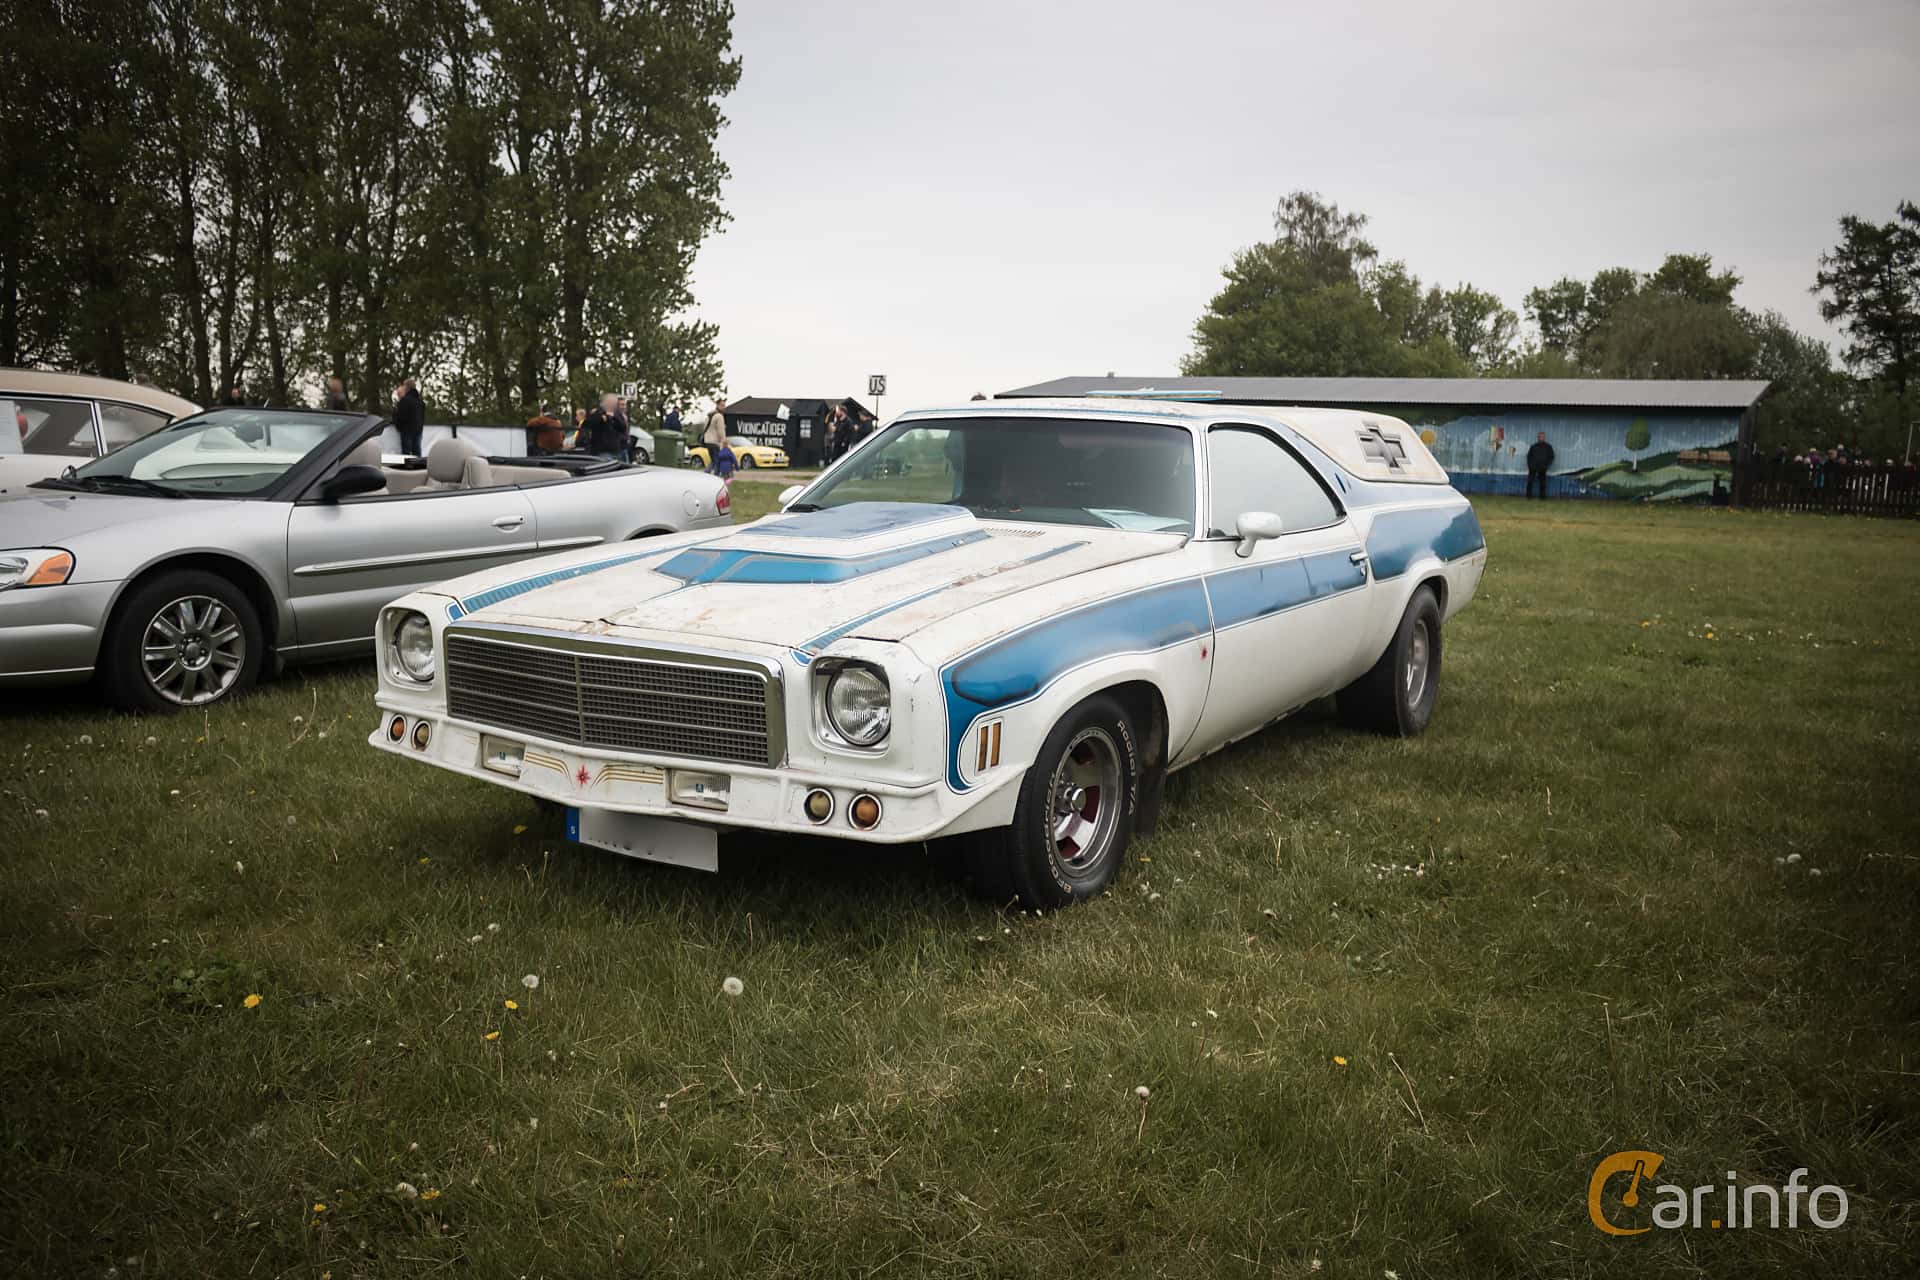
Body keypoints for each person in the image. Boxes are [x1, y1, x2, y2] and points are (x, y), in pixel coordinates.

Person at [581, 394, 625, 459]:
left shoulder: (617, 414)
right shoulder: (598, 413)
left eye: (614, 403)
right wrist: (601, 419)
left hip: (616, 450)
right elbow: (585, 424)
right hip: (601, 450)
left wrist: (614, 418)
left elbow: (623, 428)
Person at [392, 378, 426, 457]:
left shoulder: (404, 401)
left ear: (406, 387)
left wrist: (398, 425)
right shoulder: (420, 402)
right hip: (418, 430)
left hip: (406, 431)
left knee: (406, 454)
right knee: (417, 452)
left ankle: (407, 469)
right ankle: (418, 468)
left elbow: (401, 416)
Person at [1525, 431, 1554, 500]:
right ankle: (1528, 496)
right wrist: (1530, 465)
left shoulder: (1548, 447)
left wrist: (1546, 465)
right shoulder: (1533, 446)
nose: (1541, 438)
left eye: (1542, 437)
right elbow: (1529, 456)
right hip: (1533, 467)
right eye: (1540, 437)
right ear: (1538, 438)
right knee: (1530, 481)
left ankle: (1542, 497)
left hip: (1542, 467)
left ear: (1544, 438)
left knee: (1542, 483)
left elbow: (1551, 457)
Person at [703, 397, 729, 473]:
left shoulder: (709, 415)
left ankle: (707, 474)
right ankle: (713, 476)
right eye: (722, 405)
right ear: (717, 405)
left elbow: (704, 427)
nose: (724, 407)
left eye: (724, 405)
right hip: (715, 442)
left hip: (707, 441)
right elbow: (721, 431)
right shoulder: (719, 416)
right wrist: (724, 443)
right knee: (717, 461)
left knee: (714, 460)